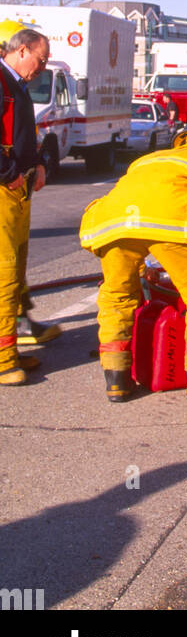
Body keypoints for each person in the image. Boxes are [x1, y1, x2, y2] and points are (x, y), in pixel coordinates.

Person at [79, 130, 187, 403]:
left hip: (111, 222)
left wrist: (144, 269)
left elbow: (142, 211)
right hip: (175, 222)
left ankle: (117, 380)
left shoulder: (148, 160)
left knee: (117, 296)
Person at [0, 27, 51, 386]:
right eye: (41, 59)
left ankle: (12, 347)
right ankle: (2, 361)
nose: (43, 67)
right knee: (3, 276)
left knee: (15, 273)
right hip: (5, 191)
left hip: (19, 192)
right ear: (22, 51)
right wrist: (7, 173)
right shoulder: (3, 84)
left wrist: (39, 162)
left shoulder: (16, 86)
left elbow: (21, 135)